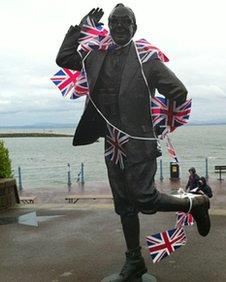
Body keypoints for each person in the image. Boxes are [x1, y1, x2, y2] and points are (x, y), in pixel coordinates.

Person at [56, 4, 211, 281]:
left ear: (134, 28)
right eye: (114, 23)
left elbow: (179, 90)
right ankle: (134, 261)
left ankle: (195, 203)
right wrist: (81, 27)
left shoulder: (147, 60)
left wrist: (160, 121)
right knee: (124, 206)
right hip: (112, 142)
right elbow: (64, 58)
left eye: (124, 23)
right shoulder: (96, 54)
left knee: (145, 199)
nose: (118, 27)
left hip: (139, 141)